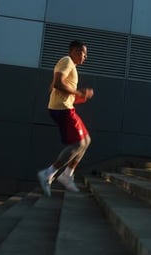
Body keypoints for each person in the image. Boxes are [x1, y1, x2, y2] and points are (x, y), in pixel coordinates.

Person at [37, 40, 94, 196]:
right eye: (84, 53)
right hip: (61, 109)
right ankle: (48, 173)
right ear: (75, 51)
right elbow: (57, 84)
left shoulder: (71, 67)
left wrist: (81, 97)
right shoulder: (66, 61)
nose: (85, 57)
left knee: (86, 141)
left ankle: (67, 175)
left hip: (67, 107)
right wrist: (80, 93)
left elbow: (55, 87)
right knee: (79, 143)